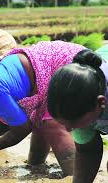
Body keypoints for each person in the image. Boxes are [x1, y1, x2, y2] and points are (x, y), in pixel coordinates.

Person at [0, 41, 87, 175]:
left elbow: (21, 129)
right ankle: (36, 168)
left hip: (70, 67)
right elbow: (14, 120)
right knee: (38, 120)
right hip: (58, 65)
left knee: (50, 124)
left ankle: (75, 175)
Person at [47, 49, 108, 183]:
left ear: (100, 103)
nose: (68, 130)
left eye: (73, 122)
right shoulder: (78, 93)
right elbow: (87, 151)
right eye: (63, 123)